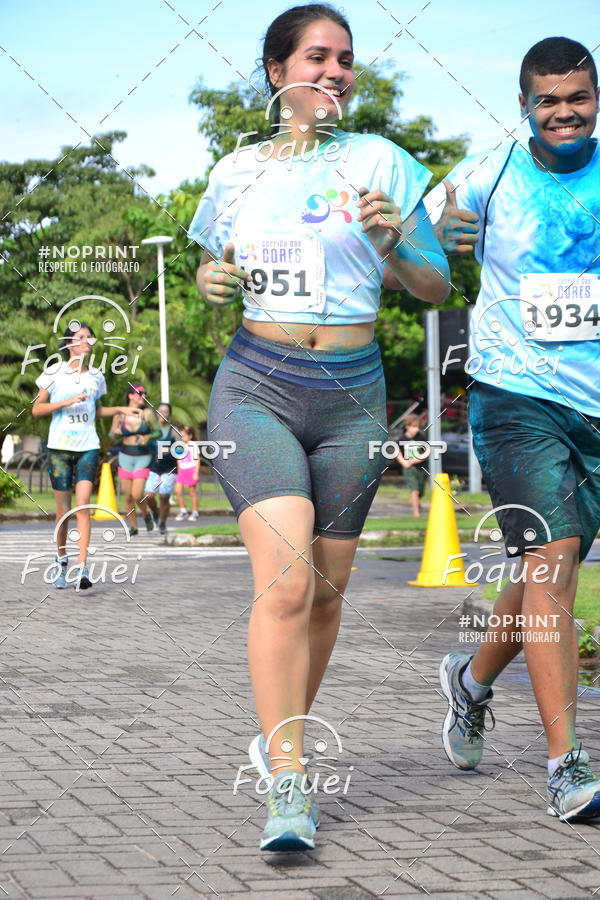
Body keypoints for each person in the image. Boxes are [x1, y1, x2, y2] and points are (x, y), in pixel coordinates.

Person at [189, 2, 450, 851]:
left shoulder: (382, 162)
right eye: (316, 57)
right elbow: (208, 262)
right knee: (290, 583)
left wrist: (396, 244)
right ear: (277, 73)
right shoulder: (236, 172)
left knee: (330, 593)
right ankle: (290, 784)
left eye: (344, 59)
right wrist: (209, 281)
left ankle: (282, 735)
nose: (334, 72)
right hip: (258, 381)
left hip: (355, 394)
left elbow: (435, 288)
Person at [428, 37, 600, 821]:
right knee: (554, 563)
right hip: (514, 394)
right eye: (548, 100)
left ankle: (470, 681)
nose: (564, 112)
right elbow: (403, 241)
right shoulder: (486, 173)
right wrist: (442, 240)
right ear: (524, 105)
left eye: (578, 98)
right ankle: (568, 766)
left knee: (541, 580)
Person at [32, 321, 139, 590]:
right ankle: (61, 561)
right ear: (69, 344)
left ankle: (82, 569)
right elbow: (37, 409)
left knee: (83, 506)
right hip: (59, 448)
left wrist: (119, 410)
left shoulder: (96, 376)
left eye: (90, 338)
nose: (87, 342)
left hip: (88, 447)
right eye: (81, 338)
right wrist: (66, 402)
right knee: (62, 512)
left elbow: (95, 410)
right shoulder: (54, 372)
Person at [110, 384, 161, 536]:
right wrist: (115, 433)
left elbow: (158, 431)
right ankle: (133, 526)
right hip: (125, 455)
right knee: (127, 496)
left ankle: (146, 513)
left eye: (144, 393)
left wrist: (148, 436)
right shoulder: (120, 415)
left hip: (143, 457)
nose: (143, 396)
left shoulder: (147, 414)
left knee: (137, 494)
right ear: (130, 395)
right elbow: (111, 436)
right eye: (140, 393)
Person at [145, 402, 177, 535]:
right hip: (154, 467)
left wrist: (167, 450)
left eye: (166, 411)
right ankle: (156, 512)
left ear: (169, 414)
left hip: (169, 468)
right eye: (160, 411)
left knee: (164, 495)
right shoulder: (152, 429)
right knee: (148, 495)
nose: (163, 414)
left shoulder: (173, 430)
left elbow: (181, 448)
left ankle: (162, 523)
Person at [395, 413, 429, 516]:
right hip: (409, 469)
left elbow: (427, 451)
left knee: (420, 492)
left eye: (418, 427)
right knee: (414, 490)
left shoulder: (421, 437)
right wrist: (403, 462)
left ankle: (417, 504)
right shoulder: (402, 439)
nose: (416, 429)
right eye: (414, 427)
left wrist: (416, 460)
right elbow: (397, 452)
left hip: (421, 468)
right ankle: (416, 514)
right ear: (407, 426)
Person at [174, 426, 201, 521]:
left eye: (184, 436)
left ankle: (195, 512)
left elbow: (197, 459)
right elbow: (178, 459)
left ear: (190, 436)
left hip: (192, 470)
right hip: (182, 471)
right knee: (177, 490)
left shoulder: (193, 445)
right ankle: (183, 511)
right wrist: (179, 470)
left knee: (192, 492)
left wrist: (196, 473)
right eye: (181, 436)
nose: (182, 437)